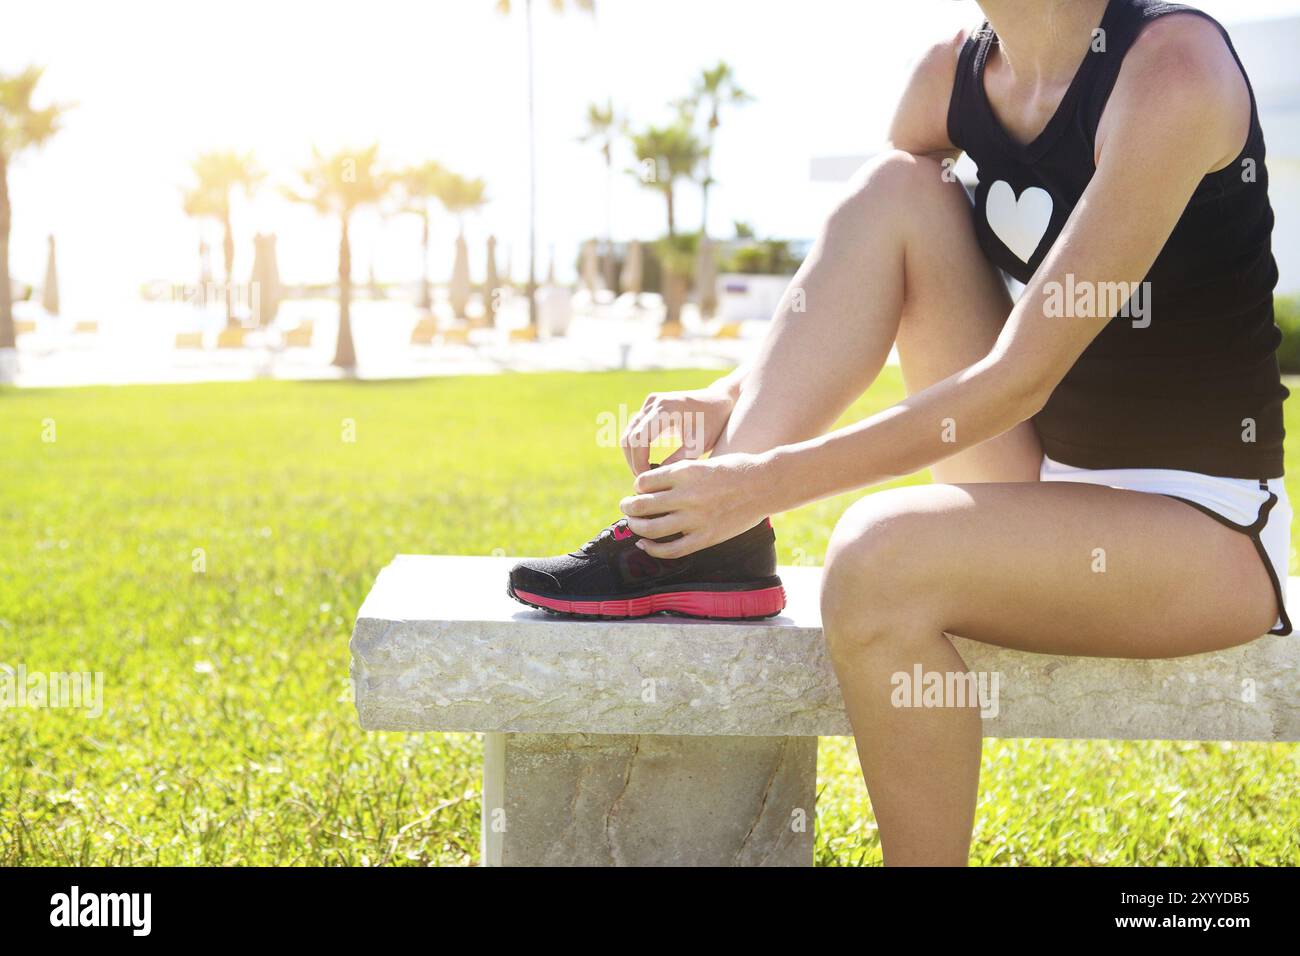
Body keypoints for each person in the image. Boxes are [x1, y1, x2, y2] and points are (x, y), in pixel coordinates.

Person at [508, 0, 1290, 865]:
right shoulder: (948, 76)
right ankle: (697, 547)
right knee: (896, 188)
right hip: (1039, 480)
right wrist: (731, 396)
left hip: (1204, 528)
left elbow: (1014, 379)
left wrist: (771, 480)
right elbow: (860, 267)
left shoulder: (1173, 68)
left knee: (876, 557)